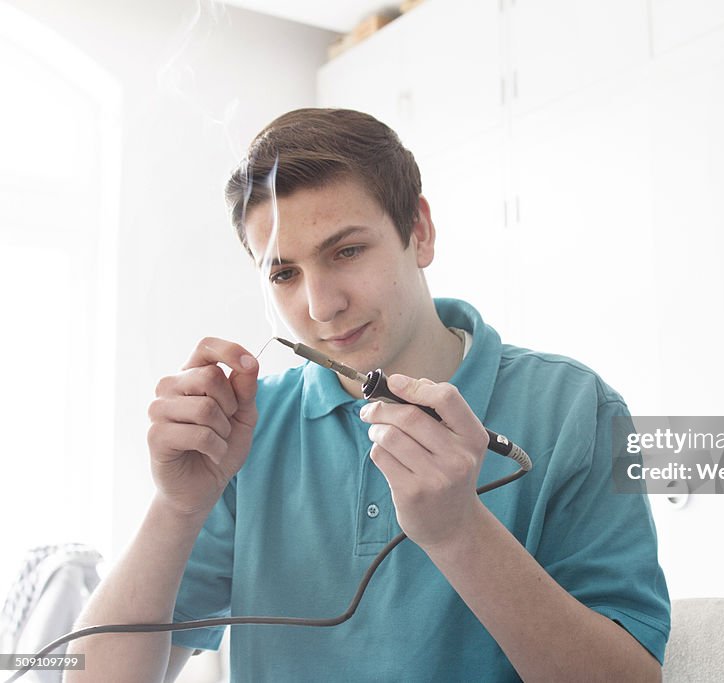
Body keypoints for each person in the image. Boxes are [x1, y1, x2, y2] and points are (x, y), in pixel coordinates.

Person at [67, 108, 670, 681]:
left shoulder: (574, 410)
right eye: (283, 274)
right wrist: (176, 507)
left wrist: (459, 532)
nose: (321, 305)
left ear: (420, 231)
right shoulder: (243, 433)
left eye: (346, 251)